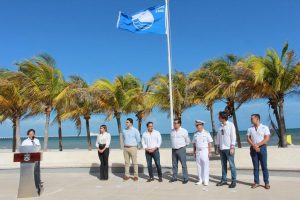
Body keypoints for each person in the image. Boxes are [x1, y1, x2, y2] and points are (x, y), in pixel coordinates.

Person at [247, 114, 271, 189]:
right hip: (253, 148)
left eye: (252, 119)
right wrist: (254, 146)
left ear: (257, 119)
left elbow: (267, 138)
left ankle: (266, 183)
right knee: (255, 167)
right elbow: (248, 138)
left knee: (264, 166)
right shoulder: (250, 129)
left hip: (262, 148)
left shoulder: (265, 127)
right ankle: (256, 182)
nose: (251, 120)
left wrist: (258, 145)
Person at [216, 111, 237, 188]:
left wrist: (232, 147)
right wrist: (218, 147)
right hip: (222, 148)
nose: (218, 118)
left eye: (219, 116)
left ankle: (233, 181)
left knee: (232, 165)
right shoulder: (219, 125)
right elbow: (218, 137)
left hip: (229, 148)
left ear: (223, 117)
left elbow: (233, 137)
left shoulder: (230, 125)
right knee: (223, 165)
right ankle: (224, 180)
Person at [21, 129, 42, 194]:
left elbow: (39, 148)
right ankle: (28, 187)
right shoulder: (24, 141)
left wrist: (34, 143)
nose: (31, 135)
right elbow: (22, 150)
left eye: (32, 133)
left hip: (36, 158)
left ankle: (37, 187)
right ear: (28, 134)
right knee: (29, 173)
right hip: (28, 158)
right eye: (30, 133)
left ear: (34, 134)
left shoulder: (37, 140)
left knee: (36, 173)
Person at [169, 118, 190, 184]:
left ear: (179, 124)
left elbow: (188, 141)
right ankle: (174, 177)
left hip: (181, 149)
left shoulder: (184, 131)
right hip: (173, 150)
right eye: (174, 123)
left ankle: (185, 178)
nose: (174, 124)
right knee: (174, 165)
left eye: (176, 123)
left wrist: (183, 147)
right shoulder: (172, 131)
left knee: (183, 164)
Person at [192, 120, 213, 186]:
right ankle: (200, 179)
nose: (197, 126)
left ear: (202, 125)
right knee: (199, 166)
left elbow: (210, 143)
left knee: (205, 166)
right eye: (196, 125)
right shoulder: (195, 134)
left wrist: (209, 152)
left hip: (205, 151)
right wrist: (194, 152)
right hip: (198, 151)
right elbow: (194, 144)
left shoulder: (206, 133)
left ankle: (206, 180)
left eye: (198, 125)